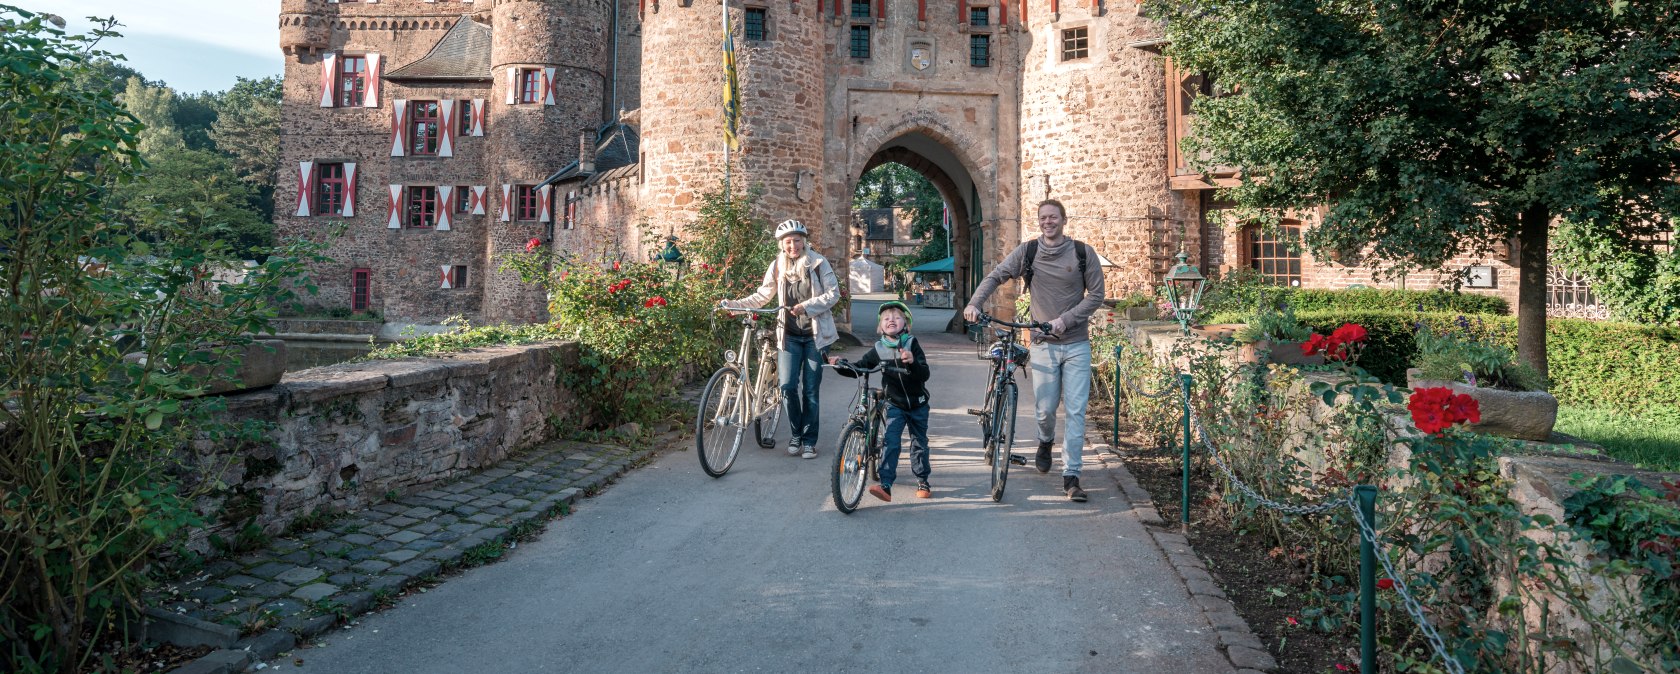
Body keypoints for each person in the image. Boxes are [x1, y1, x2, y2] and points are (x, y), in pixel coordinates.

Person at [963, 199, 1105, 502]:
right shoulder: (1029, 251)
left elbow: (1096, 296)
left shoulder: (1082, 253)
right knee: (1044, 410)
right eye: (1043, 218)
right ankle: (1045, 441)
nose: (1048, 222)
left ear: (1064, 220)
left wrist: (1064, 322)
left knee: (1077, 411)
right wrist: (975, 303)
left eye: (1053, 217)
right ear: (1039, 221)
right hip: (1043, 346)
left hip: (1077, 344)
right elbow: (996, 276)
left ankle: (1072, 477)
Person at [721, 219, 841, 459]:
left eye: (797, 241)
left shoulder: (818, 262)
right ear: (782, 244)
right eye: (788, 242)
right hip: (788, 336)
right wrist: (735, 305)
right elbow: (763, 295)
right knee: (786, 387)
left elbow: (833, 294)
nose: (793, 246)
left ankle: (809, 440)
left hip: (814, 337)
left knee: (810, 390)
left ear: (804, 242)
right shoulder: (778, 266)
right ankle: (796, 433)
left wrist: (806, 306)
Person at [827, 301, 933, 501]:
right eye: (886, 318)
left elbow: (924, 374)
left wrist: (912, 362)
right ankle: (886, 485)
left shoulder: (911, 344)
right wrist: (840, 365)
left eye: (896, 317)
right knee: (890, 442)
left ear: (906, 324)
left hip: (917, 404)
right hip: (895, 403)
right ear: (880, 327)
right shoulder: (878, 348)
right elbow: (860, 367)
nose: (891, 320)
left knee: (919, 443)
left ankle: (922, 479)